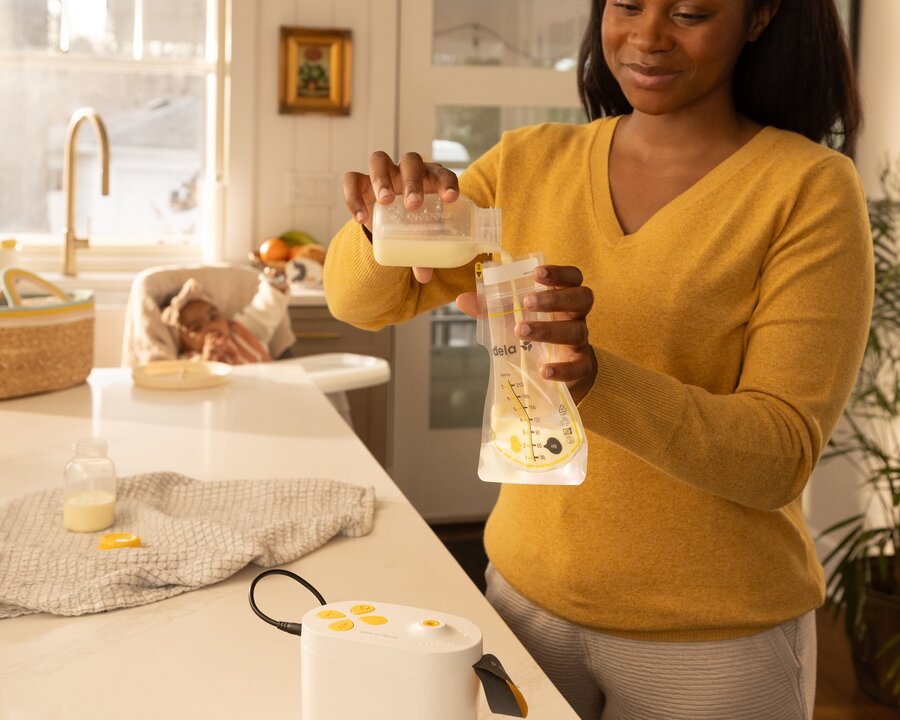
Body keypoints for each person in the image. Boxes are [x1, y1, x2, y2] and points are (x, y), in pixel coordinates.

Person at [324, 1, 873, 718]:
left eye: (689, 12)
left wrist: (594, 378)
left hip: (714, 646)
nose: (647, 36)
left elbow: (778, 455)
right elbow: (362, 302)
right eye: (626, 4)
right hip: (525, 606)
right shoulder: (529, 164)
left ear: (760, 16)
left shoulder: (807, 189)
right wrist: (384, 225)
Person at [160, 271, 289, 365]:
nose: (211, 326)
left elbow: (264, 311)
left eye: (214, 317)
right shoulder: (189, 361)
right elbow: (193, 384)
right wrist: (208, 360)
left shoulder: (241, 330)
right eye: (196, 328)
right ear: (182, 342)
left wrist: (274, 287)